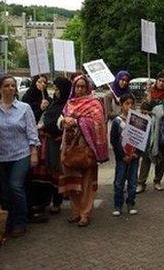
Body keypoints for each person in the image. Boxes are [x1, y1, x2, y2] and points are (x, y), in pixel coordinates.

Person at [0, 74, 40, 238]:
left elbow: (32, 132)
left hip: (21, 153)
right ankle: (7, 222)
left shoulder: (24, 108)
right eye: (6, 86)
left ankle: (21, 222)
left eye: (12, 86)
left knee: (15, 185)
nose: (10, 89)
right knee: (5, 190)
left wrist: (34, 153)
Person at [58, 75, 109, 227]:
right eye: (77, 86)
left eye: (83, 87)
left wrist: (78, 121)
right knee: (72, 181)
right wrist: (63, 122)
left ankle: (85, 213)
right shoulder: (69, 103)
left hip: (87, 148)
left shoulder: (95, 104)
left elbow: (99, 124)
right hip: (69, 148)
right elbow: (60, 119)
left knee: (86, 183)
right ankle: (75, 211)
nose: (80, 90)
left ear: (88, 88)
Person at [29, 76, 73, 216]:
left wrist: (48, 125)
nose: (56, 91)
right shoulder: (52, 102)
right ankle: (42, 202)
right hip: (44, 143)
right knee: (43, 173)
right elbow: (44, 116)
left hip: (57, 143)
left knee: (56, 171)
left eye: (58, 88)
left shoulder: (68, 105)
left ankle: (57, 201)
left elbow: (60, 124)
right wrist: (42, 110)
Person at [137, 71, 164, 193]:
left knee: (161, 156)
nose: (161, 83)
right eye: (159, 80)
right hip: (149, 129)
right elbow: (143, 109)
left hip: (163, 130)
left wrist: (152, 108)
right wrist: (149, 98)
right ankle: (141, 183)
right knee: (146, 156)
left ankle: (157, 181)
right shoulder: (149, 92)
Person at [110, 93, 140, 216]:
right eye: (127, 103)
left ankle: (131, 203)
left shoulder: (138, 121)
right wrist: (122, 155)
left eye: (132, 103)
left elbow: (141, 139)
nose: (130, 106)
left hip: (134, 157)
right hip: (122, 157)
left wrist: (137, 153)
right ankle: (118, 205)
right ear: (121, 105)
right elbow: (114, 140)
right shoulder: (117, 122)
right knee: (119, 182)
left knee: (133, 181)